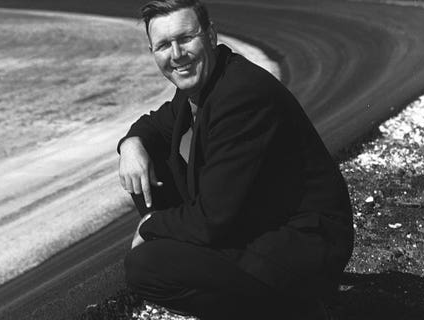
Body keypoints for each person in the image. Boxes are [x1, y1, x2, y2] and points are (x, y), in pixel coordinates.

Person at [117, 0, 354, 319]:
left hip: (306, 243)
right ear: (152, 52)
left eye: (186, 38)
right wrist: (130, 144)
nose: (176, 55)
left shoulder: (240, 95)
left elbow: (211, 221)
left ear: (211, 36)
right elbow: (157, 125)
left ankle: (289, 311)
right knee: (151, 156)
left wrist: (150, 226)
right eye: (163, 45)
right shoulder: (201, 83)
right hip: (260, 221)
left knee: (144, 267)